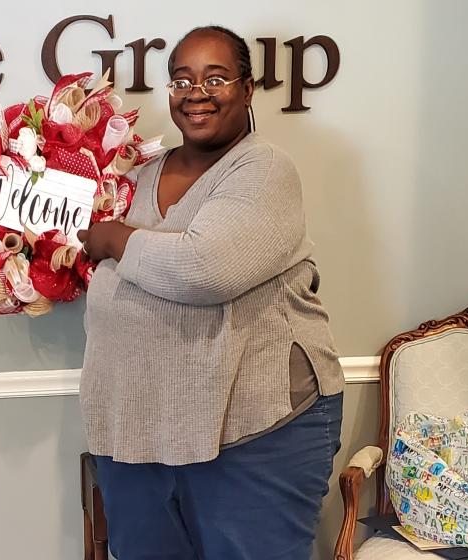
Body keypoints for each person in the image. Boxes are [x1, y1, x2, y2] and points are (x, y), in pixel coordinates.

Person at [75, 25, 345, 560]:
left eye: (215, 77)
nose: (196, 91)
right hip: (141, 431)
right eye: (181, 80)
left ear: (247, 89)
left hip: (257, 432)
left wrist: (114, 239)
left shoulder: (264, 169)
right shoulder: (142, 174)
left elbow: (202, 271)